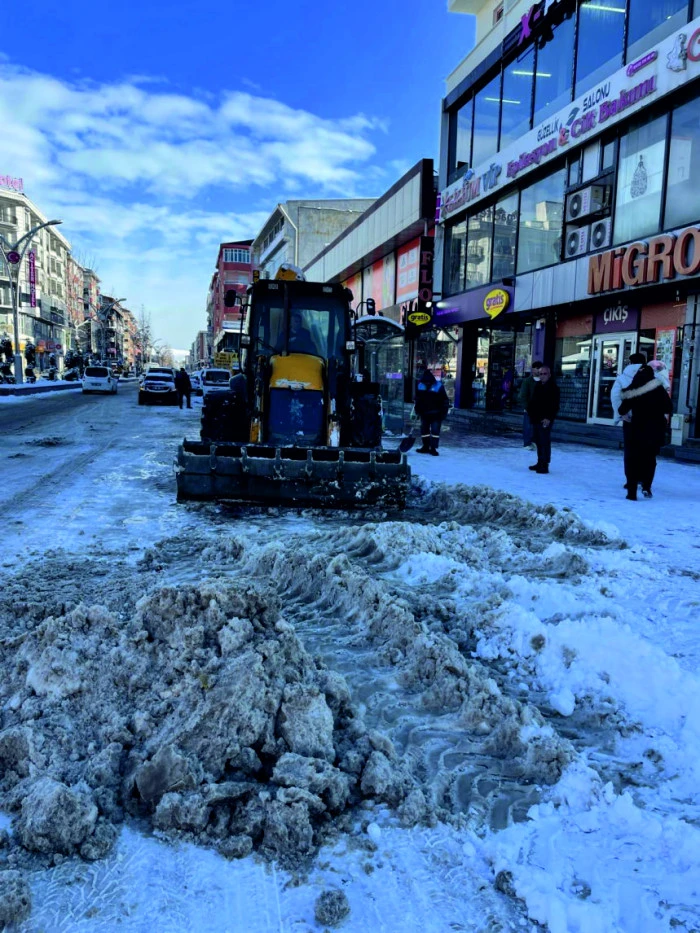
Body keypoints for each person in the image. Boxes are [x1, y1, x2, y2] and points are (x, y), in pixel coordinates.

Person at [618, 363, 672, 500]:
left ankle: (632, 493)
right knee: (650, 458)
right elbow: (669, 407)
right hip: (655, 429)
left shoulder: (634, 389)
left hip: (637, 428)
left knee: (633, 459)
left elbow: (622, 409)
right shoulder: (658, 388)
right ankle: (647, 486)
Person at [527, 364, 560, 474]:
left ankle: (545, 464)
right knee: (538, 441)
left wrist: (549, 418)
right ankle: (540, 462)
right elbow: (533, 401)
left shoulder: (553, 388)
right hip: (536, 417)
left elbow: (554, 406)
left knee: (544, 441)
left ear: (549, 375)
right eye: (540, 374)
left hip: (545, 419)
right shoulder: (538, 386)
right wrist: (530, 411)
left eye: (544, 374)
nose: (542, 376)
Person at [414, 367, 450, 456]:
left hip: (436, 413)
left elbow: (444, 400)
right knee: (425, 431)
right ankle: (426, 446)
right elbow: (417, 400)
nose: (427, 383)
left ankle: (433, 448)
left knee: (435, 431)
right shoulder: (420, 385)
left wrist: (443, 412)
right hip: (425, 413)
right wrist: (417, 409)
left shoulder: (438, 386)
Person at [517, 360, 543, 451]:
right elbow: (522, 395)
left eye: (540, 368)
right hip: (529, 408)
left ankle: (535, 442)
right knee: (528, 426)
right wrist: (527, 407)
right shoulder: (527, 381)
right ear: (533, 369)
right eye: (537, 368)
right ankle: (527, 443)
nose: (539, 370)